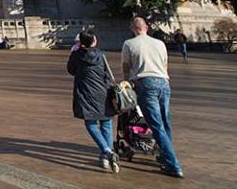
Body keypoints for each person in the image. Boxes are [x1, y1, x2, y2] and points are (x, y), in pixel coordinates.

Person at [122, 17, 183, 178]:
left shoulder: (129, 44)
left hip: (145, 83)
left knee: (156, 125)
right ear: (146, 27)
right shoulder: (159, 43)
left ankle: (173, 165)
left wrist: (127, 81)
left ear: (132, 29)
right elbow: (165, 64)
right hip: (164, 82)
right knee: (165, 122)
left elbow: (126, 67)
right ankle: (164, 155)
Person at [67, 31, 119, 173]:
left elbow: (70, 70)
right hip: (103, 92)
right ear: (94, 41)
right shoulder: (101, 55)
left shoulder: (76, 55)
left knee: (90, 123)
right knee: (106, 123)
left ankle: (107, 152)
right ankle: (107, 156)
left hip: (86, 93)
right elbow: (107, 74)